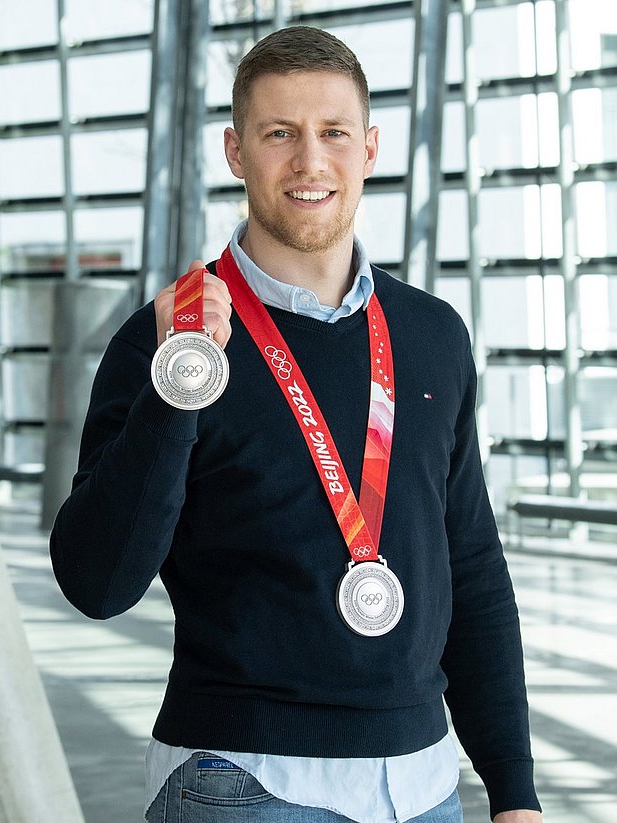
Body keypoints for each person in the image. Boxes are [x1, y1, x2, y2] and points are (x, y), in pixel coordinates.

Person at [49, 25, 542, 823]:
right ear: (237, 151)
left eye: (333, 133)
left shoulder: (431, 336)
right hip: (244, 783)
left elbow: (472, 568)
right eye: (280, 133)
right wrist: (178, 389)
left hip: (423, 788)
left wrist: (514, 794)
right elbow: (97, 581)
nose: (310, 161)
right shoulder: (163, 340)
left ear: (370, 147)